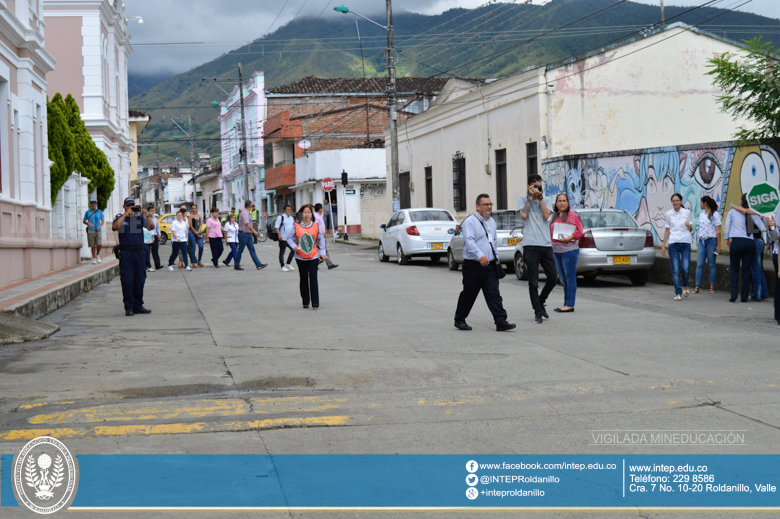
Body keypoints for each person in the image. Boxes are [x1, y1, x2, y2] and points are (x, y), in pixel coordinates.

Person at [454, 194, 516, 331]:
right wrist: (480, 255)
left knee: (494, 293)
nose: (489, 207)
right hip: (473, 265)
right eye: (485, 204)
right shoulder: (470, 221)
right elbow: (469, 241)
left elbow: (493, 242)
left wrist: (496, 258)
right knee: (469, 294)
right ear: (477, 206)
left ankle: (501, 321)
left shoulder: (492, 222)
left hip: (490, 265)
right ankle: (459, 319)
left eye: (490, 204)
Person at [517, 175, 557, 324]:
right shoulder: (522, 199)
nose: (539, 189)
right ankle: (537, 311)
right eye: (536, 186)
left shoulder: (546, 199)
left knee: (553, 277)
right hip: (530, 245)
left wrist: (539, 198)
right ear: (529, 187)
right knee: (533, 281)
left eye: (540, 186)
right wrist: (530, 197)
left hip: (545, 244)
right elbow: (524, 215)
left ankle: (540, 302)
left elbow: (547, 216)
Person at [112, 197, 154, 316]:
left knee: (140, 279)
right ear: (124, 207)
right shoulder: (120, 217)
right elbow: (115, 227)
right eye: (128, 205)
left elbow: (151, 227)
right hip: (127, 253)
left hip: (140, 253)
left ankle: (138, 305)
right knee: (128, 280)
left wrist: (147, 215)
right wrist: (126, 215)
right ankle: (129, 306)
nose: (131, 207)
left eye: (132, 205)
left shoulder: (139, 218)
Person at [724, 195, 766, 302]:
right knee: (746, 270)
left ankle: (733, 295)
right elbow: (762, 228)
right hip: (749, 242)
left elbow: (727, 225)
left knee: (734, 269)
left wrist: (727, 238)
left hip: (737, 242)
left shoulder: (733, 211)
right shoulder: (752, 213)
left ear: (741, 201)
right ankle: (744, 297)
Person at [285, 204, 328, 309]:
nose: (307, 215)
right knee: (303, 278)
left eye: (309, 212)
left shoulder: (316, 225)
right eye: (305, 212)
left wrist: (323, 252)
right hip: (301, 257)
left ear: (311, 214)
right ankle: (305, 301)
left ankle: (315, 302)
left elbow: (321, 239)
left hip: (313, 256)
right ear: (301, 214)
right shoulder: (296, 226)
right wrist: (294, 247)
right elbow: (289, 238)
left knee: (313, 278)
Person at [550, 193, 583, 313]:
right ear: (556, 203)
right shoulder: (554, 216)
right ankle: (566, 303)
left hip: (569, 251)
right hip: (556, 251)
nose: (562, 203)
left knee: (570, 278)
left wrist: (568, 239)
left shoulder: (572, 215)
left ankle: (570, 304)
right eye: (560, 201)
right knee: (563, 278)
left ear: (568, 203)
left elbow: (580, 230)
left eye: (564, 201)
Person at [661, 193, 693, 301]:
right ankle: (678, 293)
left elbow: (691, 228)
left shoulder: (687, 212)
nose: (675, 203)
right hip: (673, 243)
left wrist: (688, 225)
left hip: (685, 243)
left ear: (681, 201)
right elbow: (667, 230)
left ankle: (684, 285)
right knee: (675, 269)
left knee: (686, 268)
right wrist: (663, 245)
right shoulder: (669, 214)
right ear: (671, 202)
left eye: (677, 200)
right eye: (673, 201)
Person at [694, 196, 722, 294]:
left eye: (701, 203)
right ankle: (697, 286)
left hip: (712, 241)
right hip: (702, 241)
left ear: (705, 203)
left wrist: (719, 245)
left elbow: (718, 230)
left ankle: (712, 286)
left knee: (711, 264)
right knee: (699, 264)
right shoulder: (701, 215)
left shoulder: (715, 214)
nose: (700, 204)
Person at [234, 200, 266, 271]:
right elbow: (247, 223)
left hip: (248, 234)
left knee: (252, 249)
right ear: (250, 206)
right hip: (243, 234)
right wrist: (254, 231)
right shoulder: (245, 213)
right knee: (240, 250)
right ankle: (236, 264)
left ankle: (258, 264)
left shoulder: (248, 212)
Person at [314, 203, 338, 269]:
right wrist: (322, 232)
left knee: (322, 250)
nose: (322, 210)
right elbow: (315, 226)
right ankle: (317, 263)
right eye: (322, 209)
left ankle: (328, 263)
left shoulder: (318, 216)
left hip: (320, 235)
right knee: (322, 249)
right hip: (319, 236)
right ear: (320, 209)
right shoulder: (316, 216)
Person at [83, 199, 104, 264]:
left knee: (99, 244)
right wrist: (88, 224)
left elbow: (103, 221)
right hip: (91, 230)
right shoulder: (88, 212)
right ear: (91, 205)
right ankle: (94, 258)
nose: (93, 205)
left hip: (98, 230)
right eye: (92, 204)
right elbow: (84, 221)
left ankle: (97, 254)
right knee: (92, 245)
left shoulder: (99, 212)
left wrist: (100, 226)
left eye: (95, 204)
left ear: (96, 205)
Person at [275, 205, 296, 271]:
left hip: (290, 238)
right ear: (284, 210)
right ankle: (282, 266)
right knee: (282, 252)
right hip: (283, 238)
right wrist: (279, 234)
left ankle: (288, 263)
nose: (289, 210)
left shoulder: (292, 218)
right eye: (287, 209)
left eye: (290, 209)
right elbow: (277, 226)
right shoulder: (281, 217)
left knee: (294, 250)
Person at [147, 204, 163, 271]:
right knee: (147, 251)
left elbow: (158, 227)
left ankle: (157, 265)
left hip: (155, 236)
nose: (152, 212)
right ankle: (148, 265)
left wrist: (159, 234)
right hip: (148, 236)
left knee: (155, 251)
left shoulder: (155, 219)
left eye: (153, 211)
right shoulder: (146, 219)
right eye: (151, 211)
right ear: (148, 212)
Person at [141, 206, 155, 272]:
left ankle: (147, 266)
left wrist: (153, 237)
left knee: (147, 253)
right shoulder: (140, 219)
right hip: (143, 240)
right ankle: (148, 266)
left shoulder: (148, 219)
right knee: (145, 253)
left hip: (148, 240)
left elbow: (152, 228)